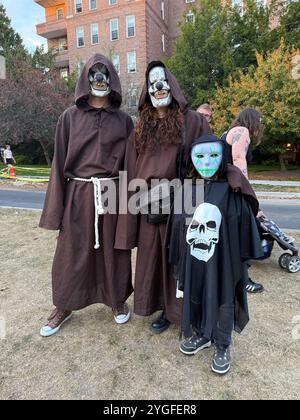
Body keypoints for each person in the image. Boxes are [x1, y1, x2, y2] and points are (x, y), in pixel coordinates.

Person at [39, 54, 134, 337]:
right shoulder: (69, 117)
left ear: (113, 79)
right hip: (79, 195)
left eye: (105, 74)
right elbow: (58, 165)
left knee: (115, 251)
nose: (100, 79)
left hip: (113, 194)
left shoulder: (124, 121)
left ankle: (116, 301)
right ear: (86, 78)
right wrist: (56, 212)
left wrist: (132, 208)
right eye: (94, 73)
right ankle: (63, 305)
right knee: (71, 252)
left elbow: (131, 165)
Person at [115, 61, 211, 334]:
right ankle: (162, 309)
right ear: (147, 89)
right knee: (153, 261)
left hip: (181, 205)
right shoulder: (140, 126)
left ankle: (182, 311)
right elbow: (132, 166)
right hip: (149, 206)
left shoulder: (193, 121)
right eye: (153, 82)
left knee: (178, 261)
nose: (159, 87)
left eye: (163, 81)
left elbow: (206, 160)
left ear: (172, 86)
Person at [167, 133, 263, 375]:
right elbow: (177, 226)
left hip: (224, 260)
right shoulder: (187, 189)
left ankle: (222, 343)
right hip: (195, 258)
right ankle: (201, 334)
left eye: (213, 156)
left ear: (223, 158)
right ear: (190, 159)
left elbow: (243, 225)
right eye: (199, 156)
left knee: (223, 296)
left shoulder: (232, 189)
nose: (207, 162)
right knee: (196, 291)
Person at [222, 108, 264, 294]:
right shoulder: (242, 132)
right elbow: (239, 159)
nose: (260, 125)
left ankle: (236, 279)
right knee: (242, 235)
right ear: (252, 120)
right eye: (259, 120)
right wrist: (247, 191)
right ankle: (243, 281)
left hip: (224, 189)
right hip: (234, 190)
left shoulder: (228, 132)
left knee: (232, 236)